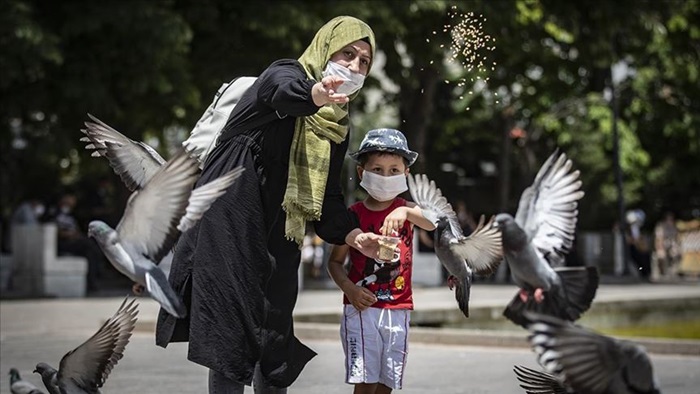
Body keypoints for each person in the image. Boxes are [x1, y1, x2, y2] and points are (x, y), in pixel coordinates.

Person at [155, 16, 383, 393]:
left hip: (281, 231)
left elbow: (327, 198)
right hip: (230, 219)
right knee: (232, 330)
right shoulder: (284, 74)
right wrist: (315, 95)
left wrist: (355, 236)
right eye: (348, 53)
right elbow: (281, 90)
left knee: (274, 333)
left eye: (364, 62)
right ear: (325, 48)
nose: (355, 66)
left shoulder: (337, 126)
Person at [327, 128, 436, 393]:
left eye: (394, 170)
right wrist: (350, 290)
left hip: (398, 309)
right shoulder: (352, 217)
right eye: (377, 169)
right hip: (362, 309)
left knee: (388, 382)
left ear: (406, 174)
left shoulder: (408, 210)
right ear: (362, 172)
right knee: (365, 381)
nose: (385, 177)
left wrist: (404, 210)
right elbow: (335, 263)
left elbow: (433, 222)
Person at [52, 192, 106, 293]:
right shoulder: (55, 213)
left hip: (75, 241)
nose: (73, 202)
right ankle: (96, 274)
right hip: (65, 243)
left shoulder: (70, 215)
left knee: (90, 253)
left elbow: (76, 229)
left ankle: (92, 282)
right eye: (71, 198)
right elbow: (55, 231)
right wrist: (70, 235)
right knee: (90, 246)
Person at [654, 211, 681, 278]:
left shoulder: (674, 227)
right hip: (662, 245)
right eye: (668, 219)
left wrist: (677, 247)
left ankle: (673, 271)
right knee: (661, 256)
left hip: (671, 245)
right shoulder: (661, 227)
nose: (670, 221)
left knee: (677, 253)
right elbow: (658, 239)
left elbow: (676, 239)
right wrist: (660, 248)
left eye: (671, 219)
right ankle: (661, 272)